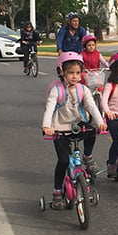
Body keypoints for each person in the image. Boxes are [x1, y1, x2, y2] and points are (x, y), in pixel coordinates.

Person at [42, 52, 104, 210]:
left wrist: (100, 122)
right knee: (63, 161)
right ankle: (57, 192)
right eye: (71, 73)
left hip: (77, 126)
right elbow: (49, 108)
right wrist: (46, 127)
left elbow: (91, 107)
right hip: (59, 129)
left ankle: (87, 157)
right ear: (62, 72)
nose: (75, 76)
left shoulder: (83, 89)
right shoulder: (57, 90)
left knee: (92, 131)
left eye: (78, 73)